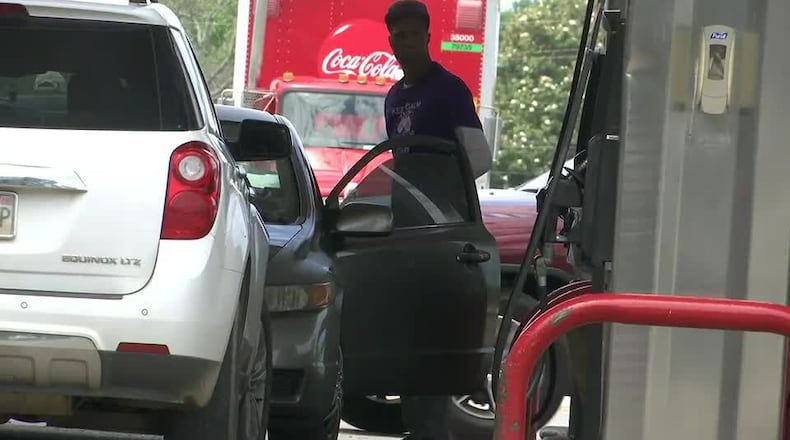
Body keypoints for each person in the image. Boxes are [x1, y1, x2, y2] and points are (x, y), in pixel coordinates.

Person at [382, 1, 493, 439]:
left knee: (434, 336)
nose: (405, 43)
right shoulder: (394, 98)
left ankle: (432, 430)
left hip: (443, 234)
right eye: (398, 36)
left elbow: (479, 158)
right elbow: (397, 163)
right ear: (389, 40)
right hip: (404, 233)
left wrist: (442, 194)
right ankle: (417, 427)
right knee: (409, 335)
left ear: (427, 37)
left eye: (413, 35)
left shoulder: (449, 90)